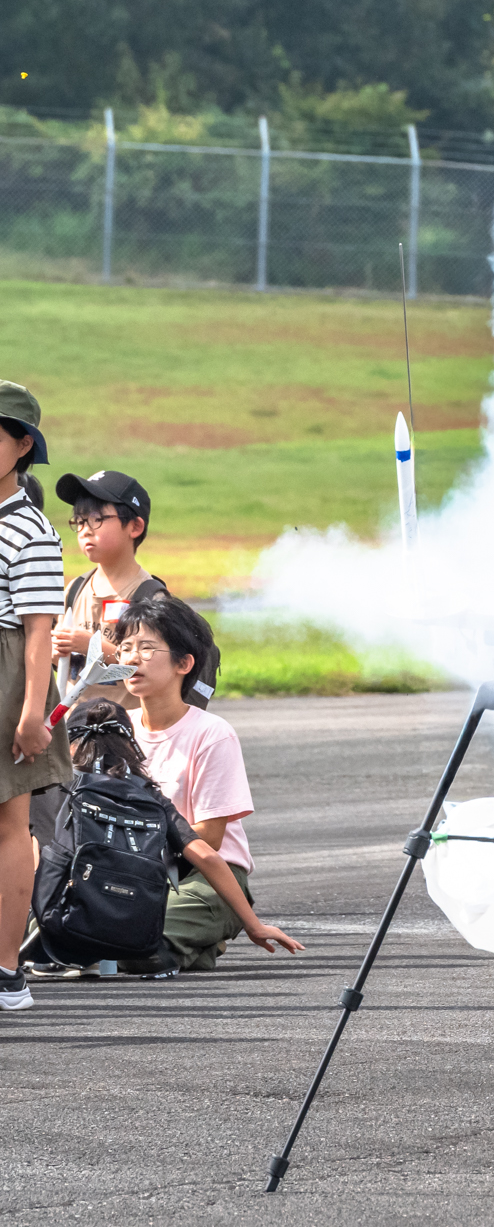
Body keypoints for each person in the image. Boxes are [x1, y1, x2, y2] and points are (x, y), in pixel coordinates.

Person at [31, 698, 301, 977]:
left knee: (40, 932)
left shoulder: (47, 788)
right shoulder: (145, 792)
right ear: (129, 744)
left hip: (67, 912)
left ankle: (71, 955)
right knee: (143, 946)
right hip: (133, 903)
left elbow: (31, 856)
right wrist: (254, 925)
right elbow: (206, 855)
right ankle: (151, 950)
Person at [112, 592, 268, 974]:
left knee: (136, 945)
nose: (132, 659)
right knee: (48, 934)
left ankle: (205, 937)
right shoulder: (115, 728)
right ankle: (194, 944)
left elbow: (209, 839)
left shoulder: (212, 734)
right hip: (135, 871)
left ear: (184, 662)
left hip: (208, 875)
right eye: (126, 647)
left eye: (147, 647)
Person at [0, 381, 69, 1013]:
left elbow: (39, 631)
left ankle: (6, 971)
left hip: (7, 673)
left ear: (22, 446)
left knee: (10, 826)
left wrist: (30, 712)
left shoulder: (30, 528)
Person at [51, 470, 169, 708]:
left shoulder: (150, 597)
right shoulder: (75, 589)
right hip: (72, 727)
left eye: (96, 519)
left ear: (134, 527)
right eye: (80, 521)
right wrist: (54, 653)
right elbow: (62, 664)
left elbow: (154, 669)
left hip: (124, 731)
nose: (85, 529)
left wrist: (91, 646)